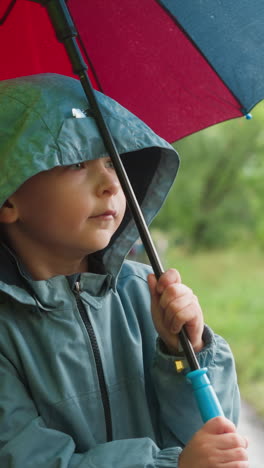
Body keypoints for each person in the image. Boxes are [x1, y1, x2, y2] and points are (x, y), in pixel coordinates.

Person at [0, 74, 248, 468]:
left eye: (113, 161)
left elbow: (210, 435)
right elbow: (25, 458)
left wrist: (183, 352)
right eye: (78, 161)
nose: (110, 185)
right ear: (8, 197)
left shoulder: (140, 292)